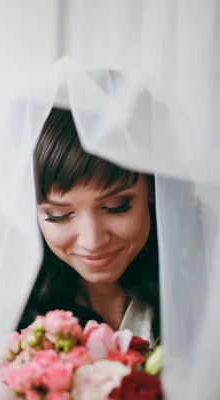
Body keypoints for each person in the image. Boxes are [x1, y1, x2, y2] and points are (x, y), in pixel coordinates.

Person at [17, 106, 160, 342]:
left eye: (116, 206)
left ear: (153, 190)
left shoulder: (210, 289)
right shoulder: (13, 319)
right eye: (58, 215)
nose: (92, 242)